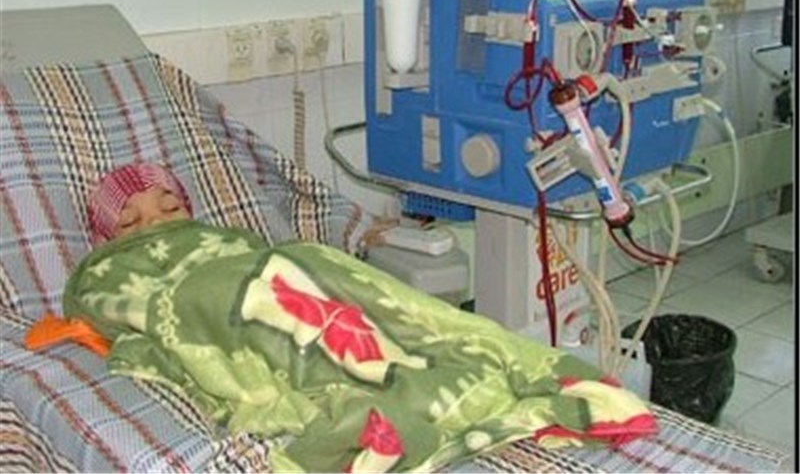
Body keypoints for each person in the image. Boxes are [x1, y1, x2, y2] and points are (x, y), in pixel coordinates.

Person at [27, 162, 657, 474]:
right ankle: (381, 406)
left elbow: (273, 263)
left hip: (276, 269)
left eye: (170, 208)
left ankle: (495, 370)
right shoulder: (101, 272)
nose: (157, 224)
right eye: (131, 222)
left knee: (366, 294)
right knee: (270, 312)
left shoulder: (226, 237)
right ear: (107, 241)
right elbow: (126, 313)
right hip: (210, 298)